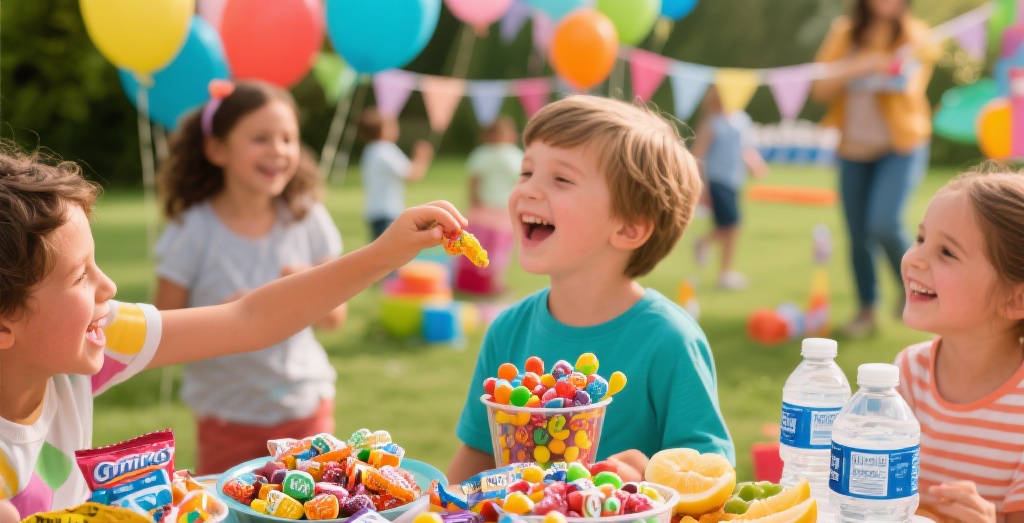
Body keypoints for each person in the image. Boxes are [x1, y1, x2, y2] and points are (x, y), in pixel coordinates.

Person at [0, 143, 465, 523]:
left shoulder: (93, 340)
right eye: (81, 277)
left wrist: (385, 253)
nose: (110, 286)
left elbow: (251, 320)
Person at [447, 95, 735, 484]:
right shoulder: (509, 329)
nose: (529, 191)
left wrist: (649, 474)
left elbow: (712, 473)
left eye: (561, 179)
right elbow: (480, 453)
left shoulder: (669, 341)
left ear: (628, 227)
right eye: (527, 172)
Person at [154, 80, 347, 475]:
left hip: (303, 408)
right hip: (227, 417)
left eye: (288, 139)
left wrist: (311, 285)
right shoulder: (193, 229)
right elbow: (160, 329)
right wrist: (221, 318)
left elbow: (335, 318)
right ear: (217, 149)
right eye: (261, 138)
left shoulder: (306, 219)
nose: (278, 150)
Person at [895, 167, 1024, 523]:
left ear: (1015, 299)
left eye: (946, 253)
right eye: (920, 239)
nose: (915, 257)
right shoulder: (906, 374)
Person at [811, 0, 937, 338]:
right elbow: (820, 86)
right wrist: (862, 66)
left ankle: (913, 288)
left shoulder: (916, 34)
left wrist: (873, 68)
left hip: (901, 146)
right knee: (857, 236)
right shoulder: (845, 32)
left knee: (883, 222)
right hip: (853, 149)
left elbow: (910, 87)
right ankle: (867, 310)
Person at [690, 85, 768, 291]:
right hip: (717, 179)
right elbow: (698, 155)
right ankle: (724, 272)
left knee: (730, 227)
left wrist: (755, 164)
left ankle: (706, 246)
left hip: (735, 180)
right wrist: (701, 187)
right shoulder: (713, 123)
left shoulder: (742, 120)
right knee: (733, 225)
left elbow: (745, 148)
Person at [455, 116, 523, 295]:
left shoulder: (514, 154)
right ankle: (468, 282)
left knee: (499, 248)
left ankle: (495, 283)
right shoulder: (482, 154)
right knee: (474, 246)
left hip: (503, 210)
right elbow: (474, 180)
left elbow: (520, 180)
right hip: (482, 209)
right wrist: (474, 200)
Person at [358, 106, 433, 242]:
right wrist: (422, 157)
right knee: (389, 254)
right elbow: (412, 175)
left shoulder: (369, 150)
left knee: (378, 252)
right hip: (387, 212)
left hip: (374, 211)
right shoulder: (386, 150)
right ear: (383, 130)